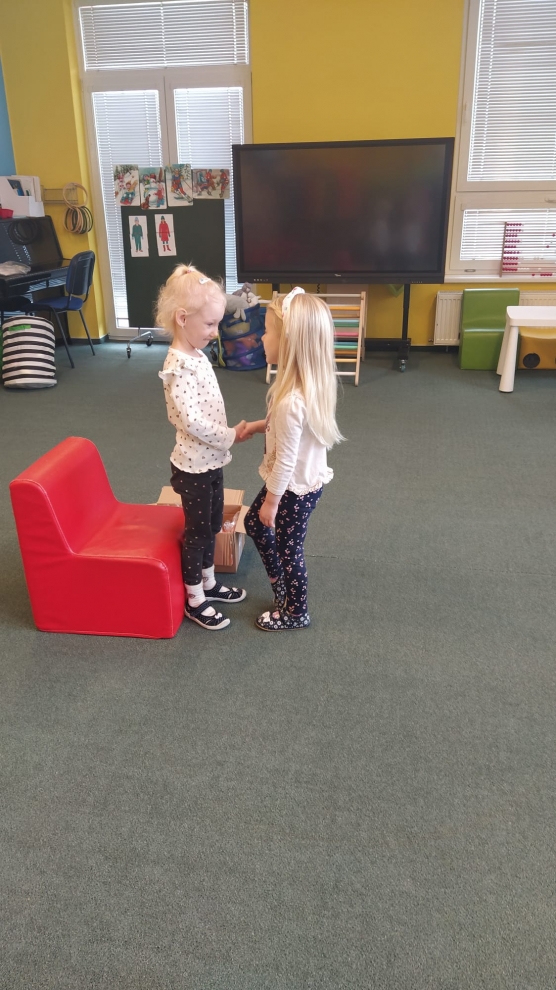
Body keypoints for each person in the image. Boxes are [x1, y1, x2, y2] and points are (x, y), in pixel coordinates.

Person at [243, 288, 343, 630]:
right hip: (297, 485)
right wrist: (257, 426)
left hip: (292, 489)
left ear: (289, 343)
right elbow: (288, 433)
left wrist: (271, 503)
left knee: (289, 549)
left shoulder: (290, 402)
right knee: (254, 524)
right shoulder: (302, 389)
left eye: (267, 331)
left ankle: (296, 612)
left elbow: (286, 459)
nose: (261, 337)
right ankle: (281, 587)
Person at [157, 264, 248, 630]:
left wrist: (226, 439)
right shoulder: (177, 367)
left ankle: (208, 582)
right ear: (183, 318)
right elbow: (191, 421)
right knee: (197, 534)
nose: (215, 331)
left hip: (210, 461)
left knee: (212, 525)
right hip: (193, 468)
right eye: (210, 324)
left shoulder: (196, 354)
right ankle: (194, 599)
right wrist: (230, 434)